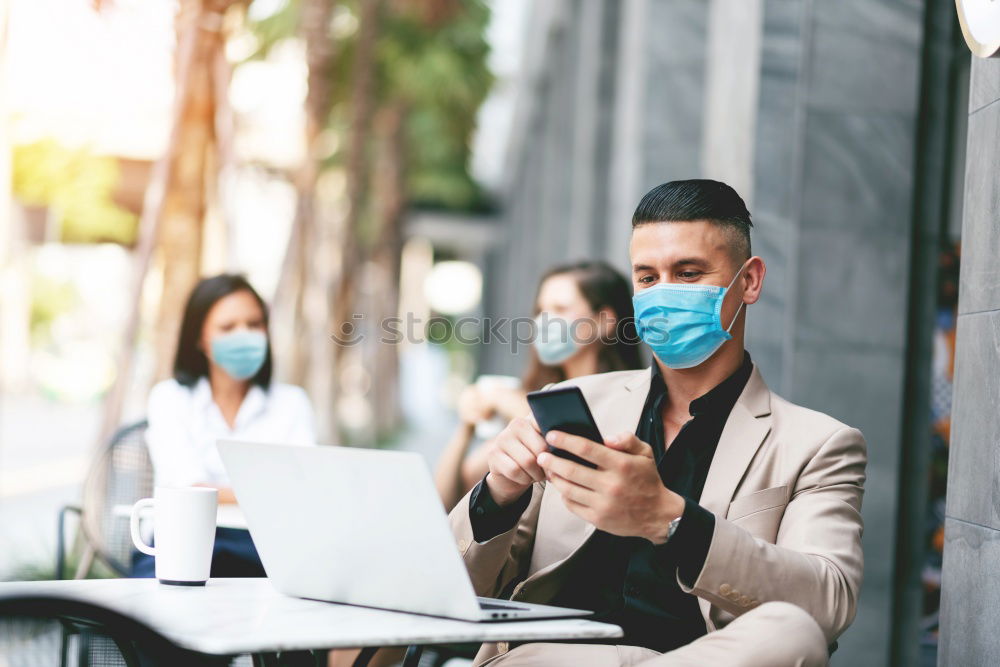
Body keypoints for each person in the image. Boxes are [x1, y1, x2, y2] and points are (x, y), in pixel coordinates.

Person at [449, 180, 867, 666]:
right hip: (550, 659)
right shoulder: (572, 403)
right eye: (647, 278)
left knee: (792, 631)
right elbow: (454, 590)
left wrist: (670, 520)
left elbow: (830, 602)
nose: (664, 293)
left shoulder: (818, 444)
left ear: (749, 281)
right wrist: (498, 493)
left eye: (688, 274)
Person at [131, 274, 316, 578]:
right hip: (182, 544)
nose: (244, 335)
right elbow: (189, 491)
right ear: (199, 338)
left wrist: (222, 491)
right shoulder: (170, 399)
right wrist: (269, 490)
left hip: (267, 550)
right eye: (227, 327)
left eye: (254, 324)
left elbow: (302, 487)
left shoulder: (291, 403)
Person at [434, 261, 642, 510]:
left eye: (560, 309)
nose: (544, 321)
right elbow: (445, 503)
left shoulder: (631, 401)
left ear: (604, 321)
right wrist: (465, 427)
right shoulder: (530, 399)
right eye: (540, 310)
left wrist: (519, 407)